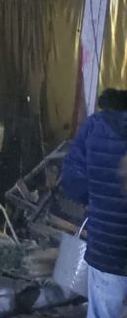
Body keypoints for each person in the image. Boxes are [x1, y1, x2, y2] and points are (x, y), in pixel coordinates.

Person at [62, 89, 127, 318]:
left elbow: (72, 181)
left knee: (104, 312)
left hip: (108, 247)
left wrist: (99, 198)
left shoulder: (94, 127)